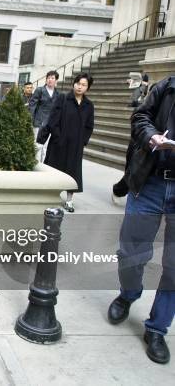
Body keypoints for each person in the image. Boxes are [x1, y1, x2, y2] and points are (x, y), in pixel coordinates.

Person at [108, 76, 175, 365]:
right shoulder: (166, 87)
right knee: (131, 251)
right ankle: (128, 294)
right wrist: (151, 137)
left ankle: (157, 328)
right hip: (150, 182)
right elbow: (140, 117)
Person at [40, 73, 94, 212]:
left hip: (76, 145)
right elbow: (53, 120)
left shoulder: (89, 105)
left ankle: (69, 200)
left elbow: (89, 126)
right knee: (55, 170)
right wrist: (58, 137)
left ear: (87, 88)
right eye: (78, 83)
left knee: (73, 173)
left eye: (83, 85)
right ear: (74, 84)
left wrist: (82, 141)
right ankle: (51, 198)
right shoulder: (63, 98)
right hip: (59, 143)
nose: (80, 87)